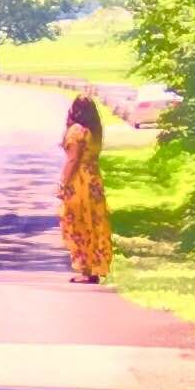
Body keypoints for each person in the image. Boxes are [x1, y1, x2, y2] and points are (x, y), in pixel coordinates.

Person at [57, 94, 113, 284]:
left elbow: (73, 159)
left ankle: (86, 268)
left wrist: (63, 183)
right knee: (93, 223)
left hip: (79, 181)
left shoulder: (76, 131)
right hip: (94, 181)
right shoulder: (95, 131)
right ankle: (94, 268)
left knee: (78, 223)